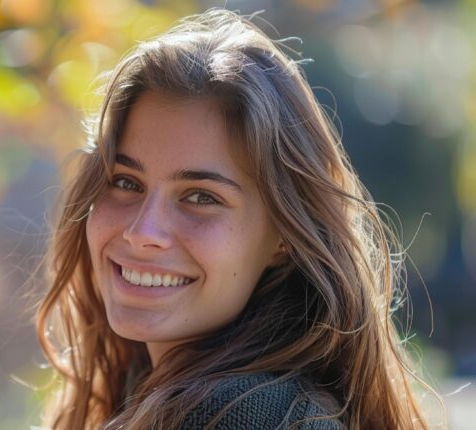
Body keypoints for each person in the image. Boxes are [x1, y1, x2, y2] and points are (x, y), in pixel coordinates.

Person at [35, 8, 441, 430]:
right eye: (126, 182)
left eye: (200, 196)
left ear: (283, 238)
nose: (142, 232)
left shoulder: (239, 414)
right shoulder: (153, 394)